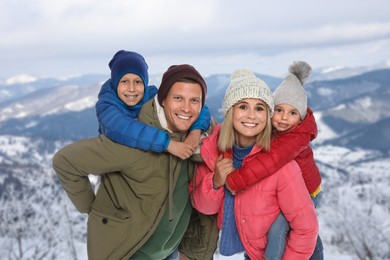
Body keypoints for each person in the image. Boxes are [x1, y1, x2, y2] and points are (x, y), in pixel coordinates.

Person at [52, 64, 219, 260]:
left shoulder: (202, 141)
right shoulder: (133, 140)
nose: (186, 108)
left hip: (170, 252)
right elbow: (65, 162)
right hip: (128, 253)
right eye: (178, 98)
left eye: (194, 101)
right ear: (163, 100)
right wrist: (91, 208)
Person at [190, 69, 318, 259]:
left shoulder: (279, 164)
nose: (251, 115)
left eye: (259, 108)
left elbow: (306, 228)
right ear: (230, 112)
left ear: (267, 115)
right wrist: (215, 182)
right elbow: (203, 207)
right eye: (243, 107)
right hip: (249, 253)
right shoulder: (213, 153)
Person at [224, 61, 323, 259]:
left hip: (311, 191)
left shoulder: (296, 138)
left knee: (279, 228)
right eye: (279, 110)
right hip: (294, 192)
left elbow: (270, 161)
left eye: (293, 113)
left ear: (301, 117)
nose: (284, 118)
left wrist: (236, 179)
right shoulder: (274, 132)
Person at [96, 50, 211, 160]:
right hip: (118, 160)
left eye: (137, 82)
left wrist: (196, 130)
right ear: (115, 82)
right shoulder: (106, 105)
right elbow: (124, 128)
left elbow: (199, 108)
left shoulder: (150, 94)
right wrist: (167, 144)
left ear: (145, 83)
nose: (131, 89)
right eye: (124, 81)